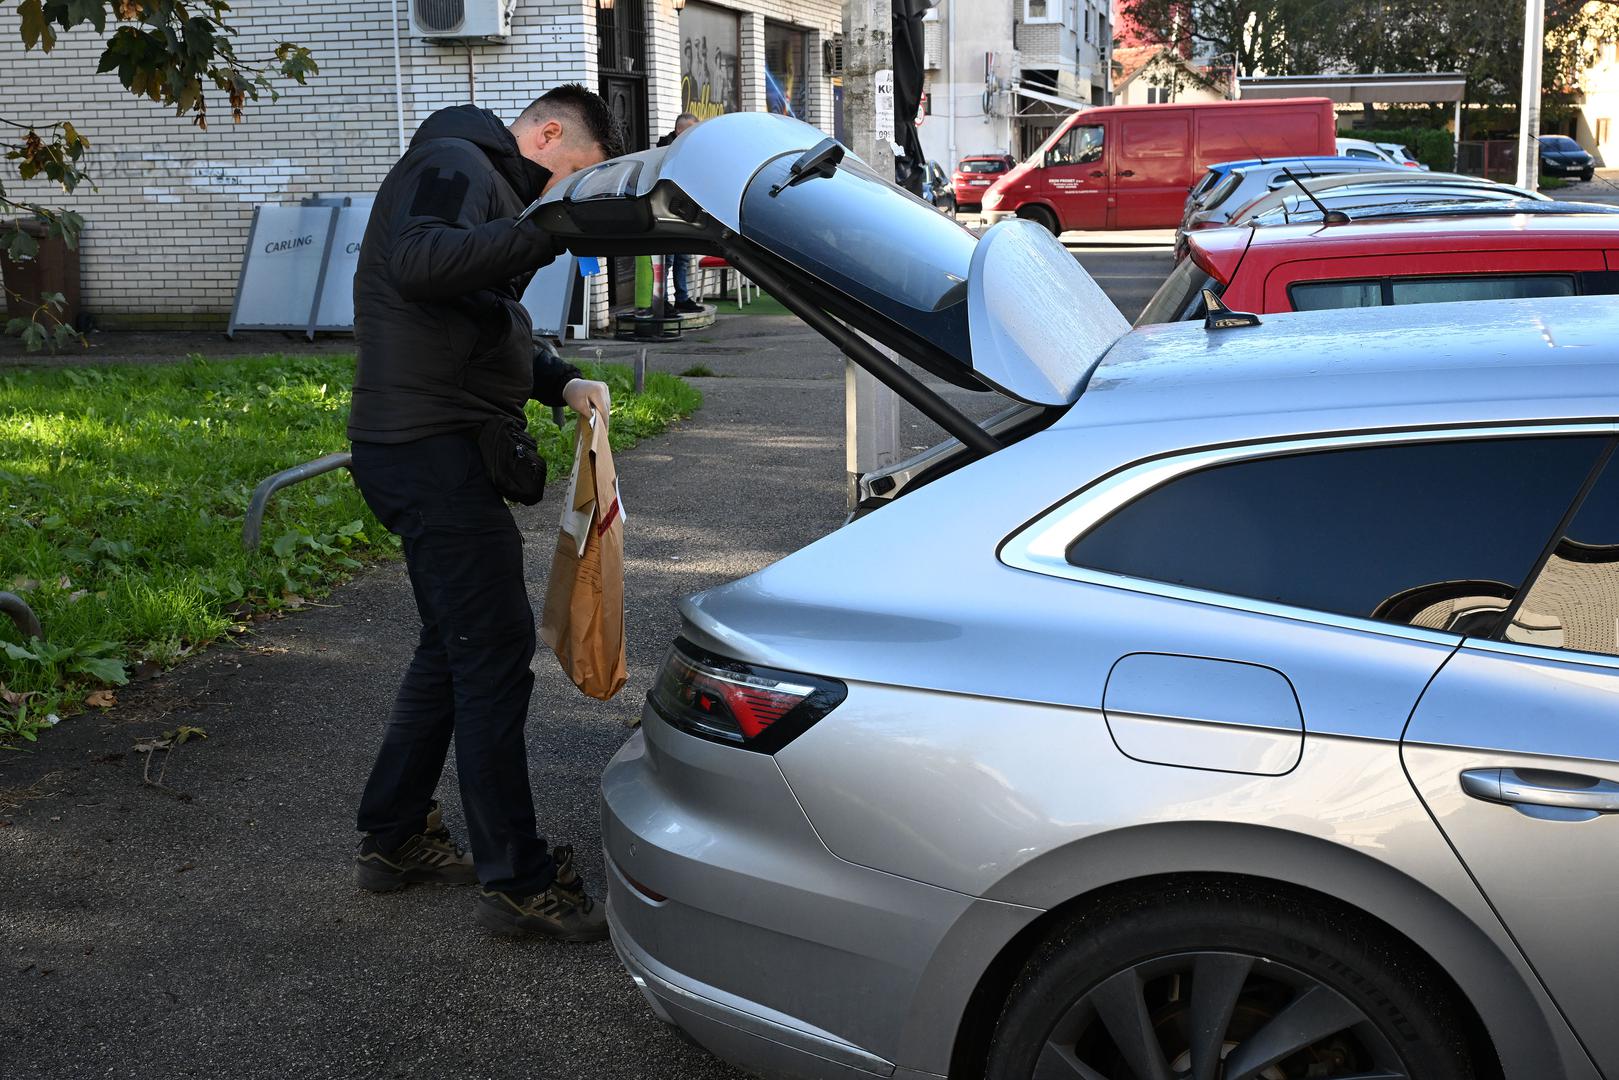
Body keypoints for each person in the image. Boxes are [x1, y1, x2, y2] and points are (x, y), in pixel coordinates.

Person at [346, 84, 625, 942]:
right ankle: (517, 879)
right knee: (492, 651)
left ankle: (392, 838)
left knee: (455, 645)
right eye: (570, 175)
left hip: (430, 445)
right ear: (546, 134)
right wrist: (546, 228)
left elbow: (480, 314)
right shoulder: (453, 163)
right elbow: (424, 263)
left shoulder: (479, 177)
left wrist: (556, 378)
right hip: (431, 450)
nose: (558, 197)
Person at [656, 113, 704, 315]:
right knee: (668, 260)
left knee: (683, 258)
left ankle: (682, 299)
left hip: (686, 210)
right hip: (667, 210)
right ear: (679, 131)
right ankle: (662, 302)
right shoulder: (665, 150)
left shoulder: (689, 150)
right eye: (691, 130)